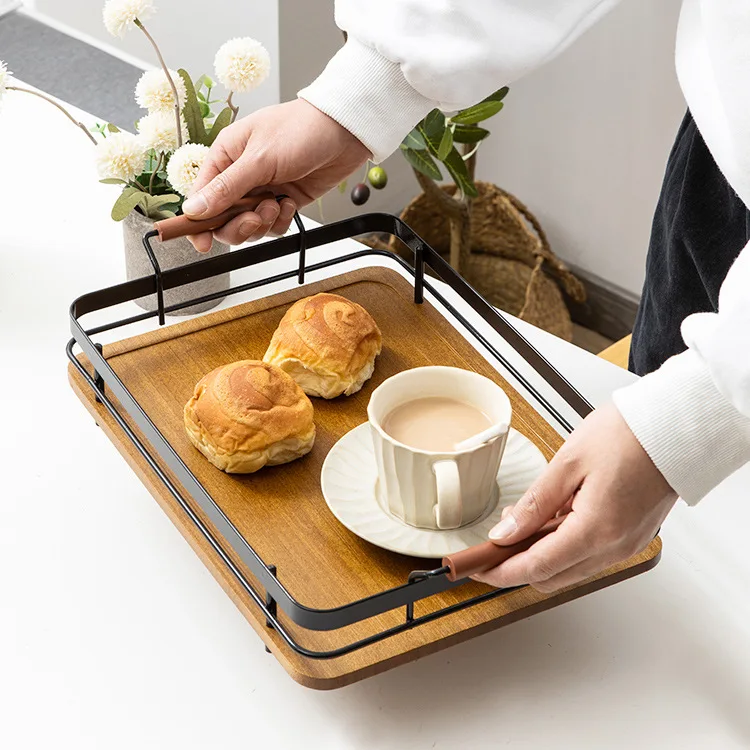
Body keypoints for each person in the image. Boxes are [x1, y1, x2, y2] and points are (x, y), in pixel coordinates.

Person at [182, 0, 750, 591]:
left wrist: (693, 419)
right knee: (676, 567)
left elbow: (675, 435)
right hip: (723, 158)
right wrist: (359, 99)